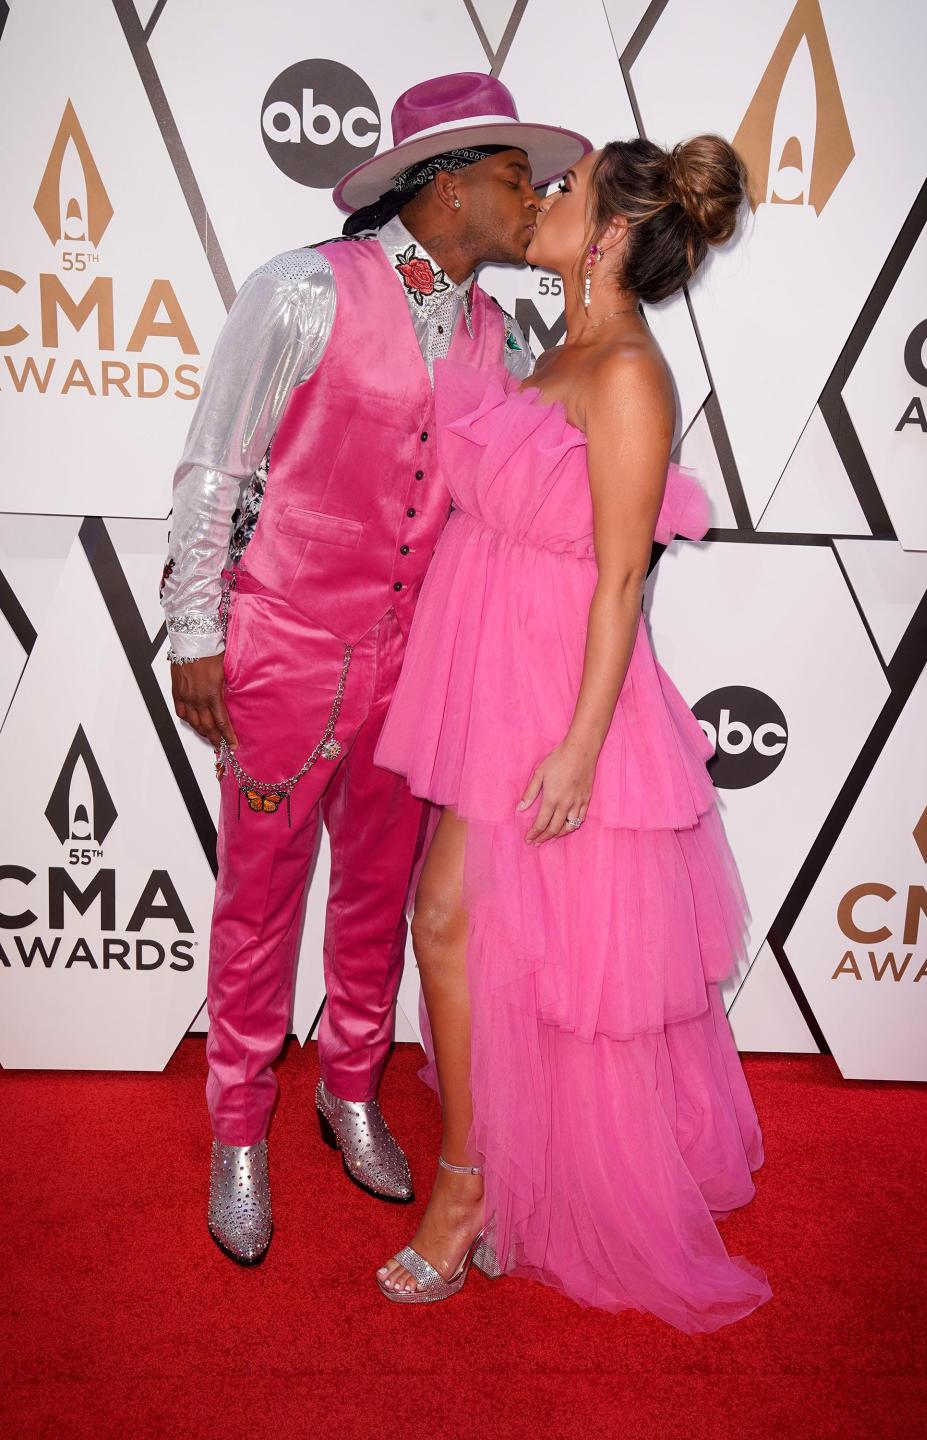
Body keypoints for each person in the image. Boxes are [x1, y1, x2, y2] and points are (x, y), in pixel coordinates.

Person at [161, 71, 590, 1264]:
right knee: (257, 905)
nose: (534, 193)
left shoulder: (501, 334)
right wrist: (198, 631)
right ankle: (237, 1126)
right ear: (445, 185)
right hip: (284, 654)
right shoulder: (302, 290)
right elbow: (216, 469)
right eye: (515, 174)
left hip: (420, 670)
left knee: (378, 901)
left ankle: (351, 1086)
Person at [373, 135, 773, 1330]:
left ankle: (464, 1188)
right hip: (486, 679)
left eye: (565, 194)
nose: (542, 204)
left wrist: (582, 746)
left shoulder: (632, 376)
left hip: (556, 695)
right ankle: (485, 1170)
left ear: (604, 239)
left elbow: (619, 583)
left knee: (507, 950)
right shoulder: (560, 349)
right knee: (458, 934)